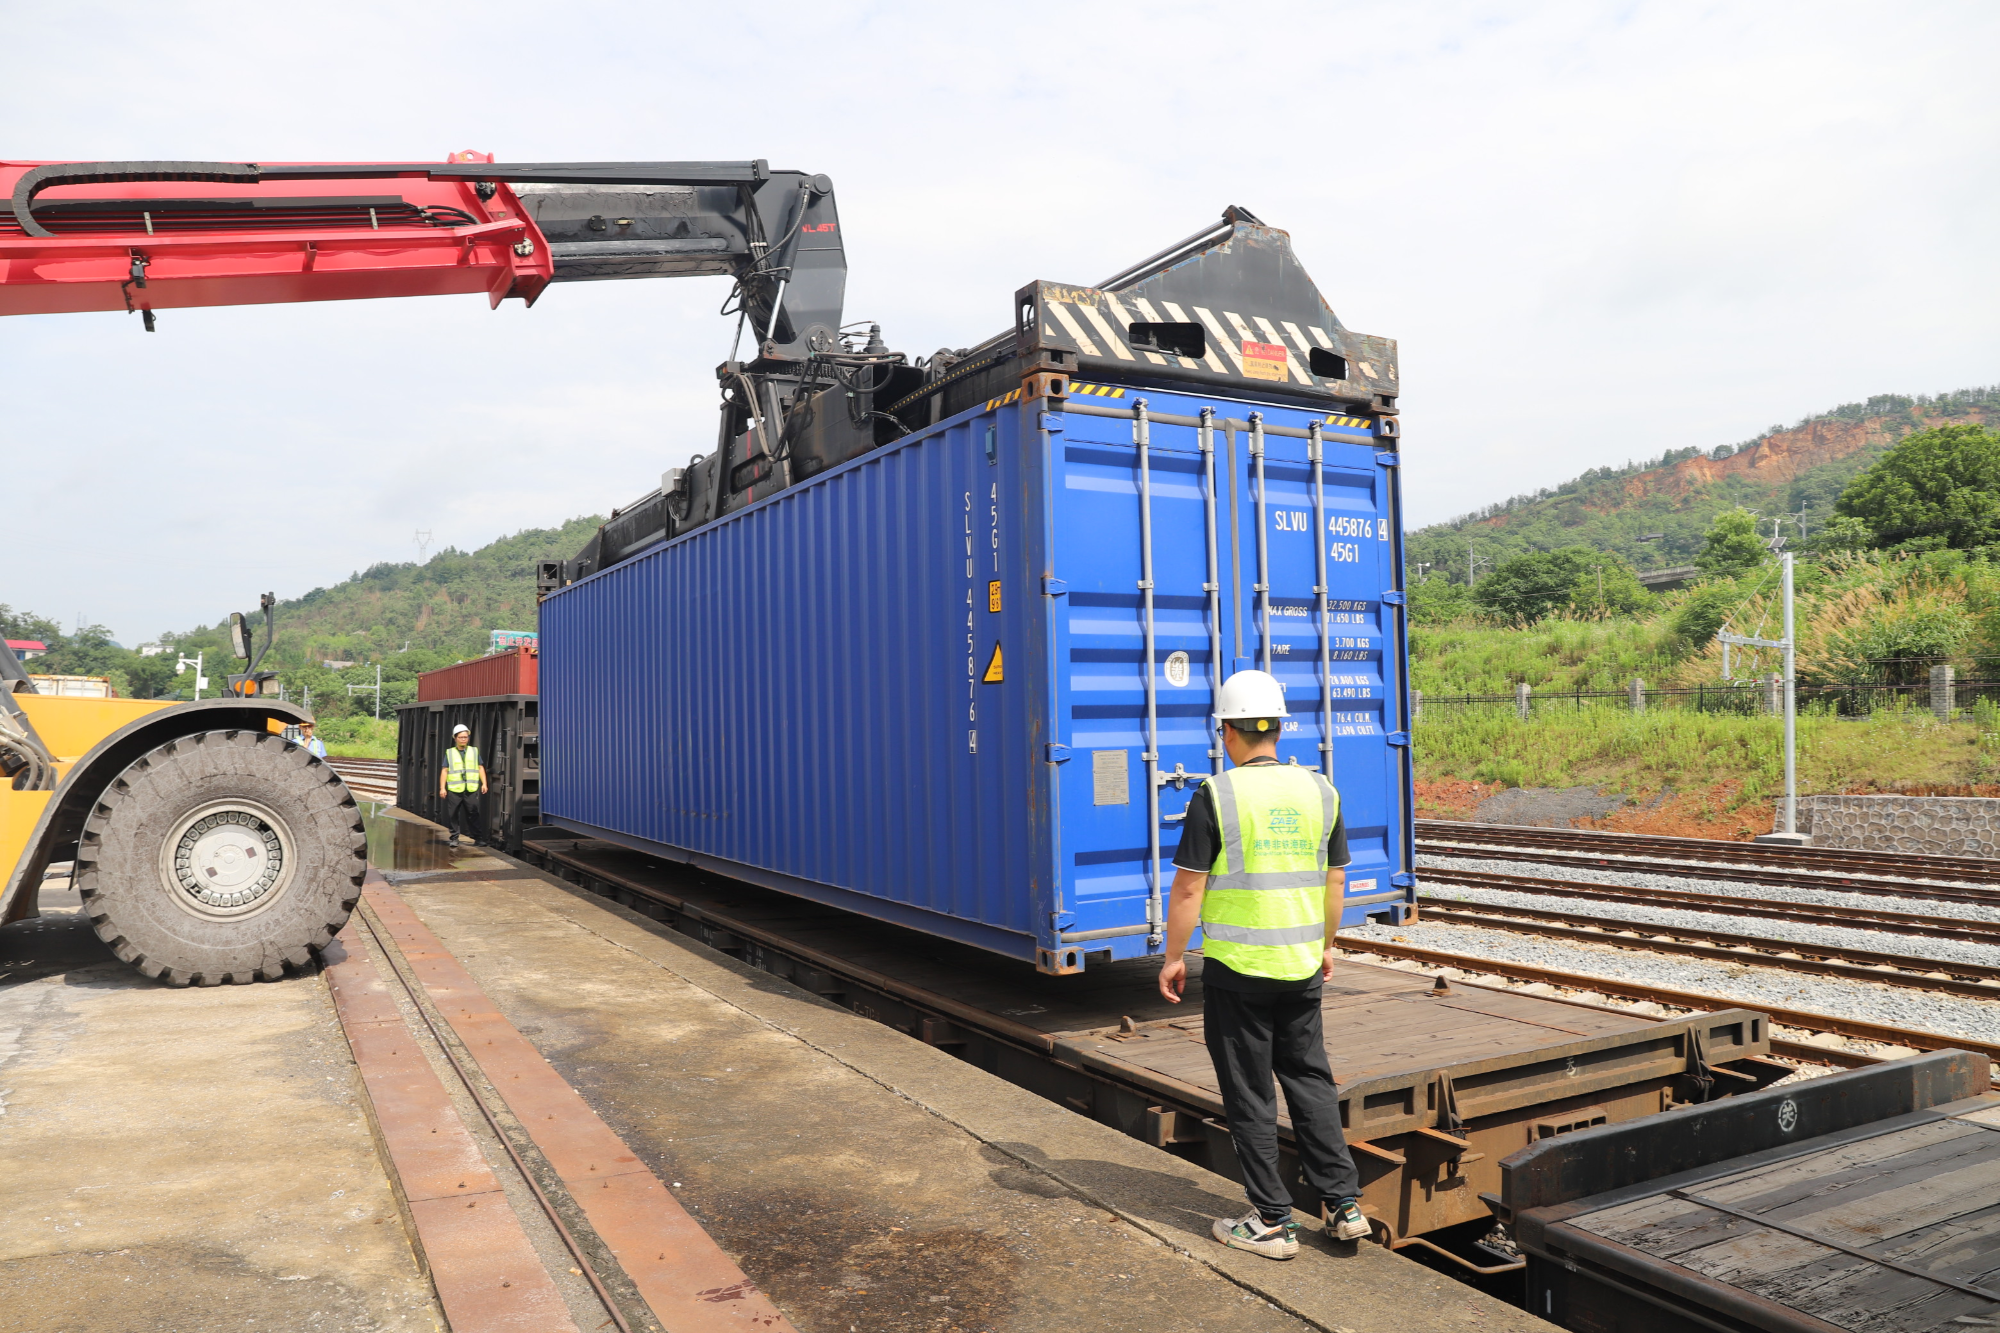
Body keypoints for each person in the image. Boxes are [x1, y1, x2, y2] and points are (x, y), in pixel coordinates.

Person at [1157, 669, 1371, 1260]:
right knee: (1309, 1080)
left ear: (1226, 731)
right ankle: (1344, 1205)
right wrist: (1327, 943)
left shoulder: (1216, 793)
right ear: (1277, 727)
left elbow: (1187, 890)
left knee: (1250, 1091)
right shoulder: (1321, 791)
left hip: (1238, 971)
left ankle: (1272, 1221)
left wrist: (1174, 957)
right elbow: (1335, 881)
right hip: (1301, 966)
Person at [437, 723, 488, 847]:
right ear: (455, 738)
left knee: (473, 814)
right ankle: (454, 838)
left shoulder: (474, 751)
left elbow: (480, 768)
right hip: (455, 789)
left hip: (470, 789)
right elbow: (444, 771)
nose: (464, 739)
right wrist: (442, 788)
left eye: (465, 737)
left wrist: (484, 784)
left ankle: (478, 838)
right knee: (453, 814)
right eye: (461, 737)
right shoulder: (450, 753)